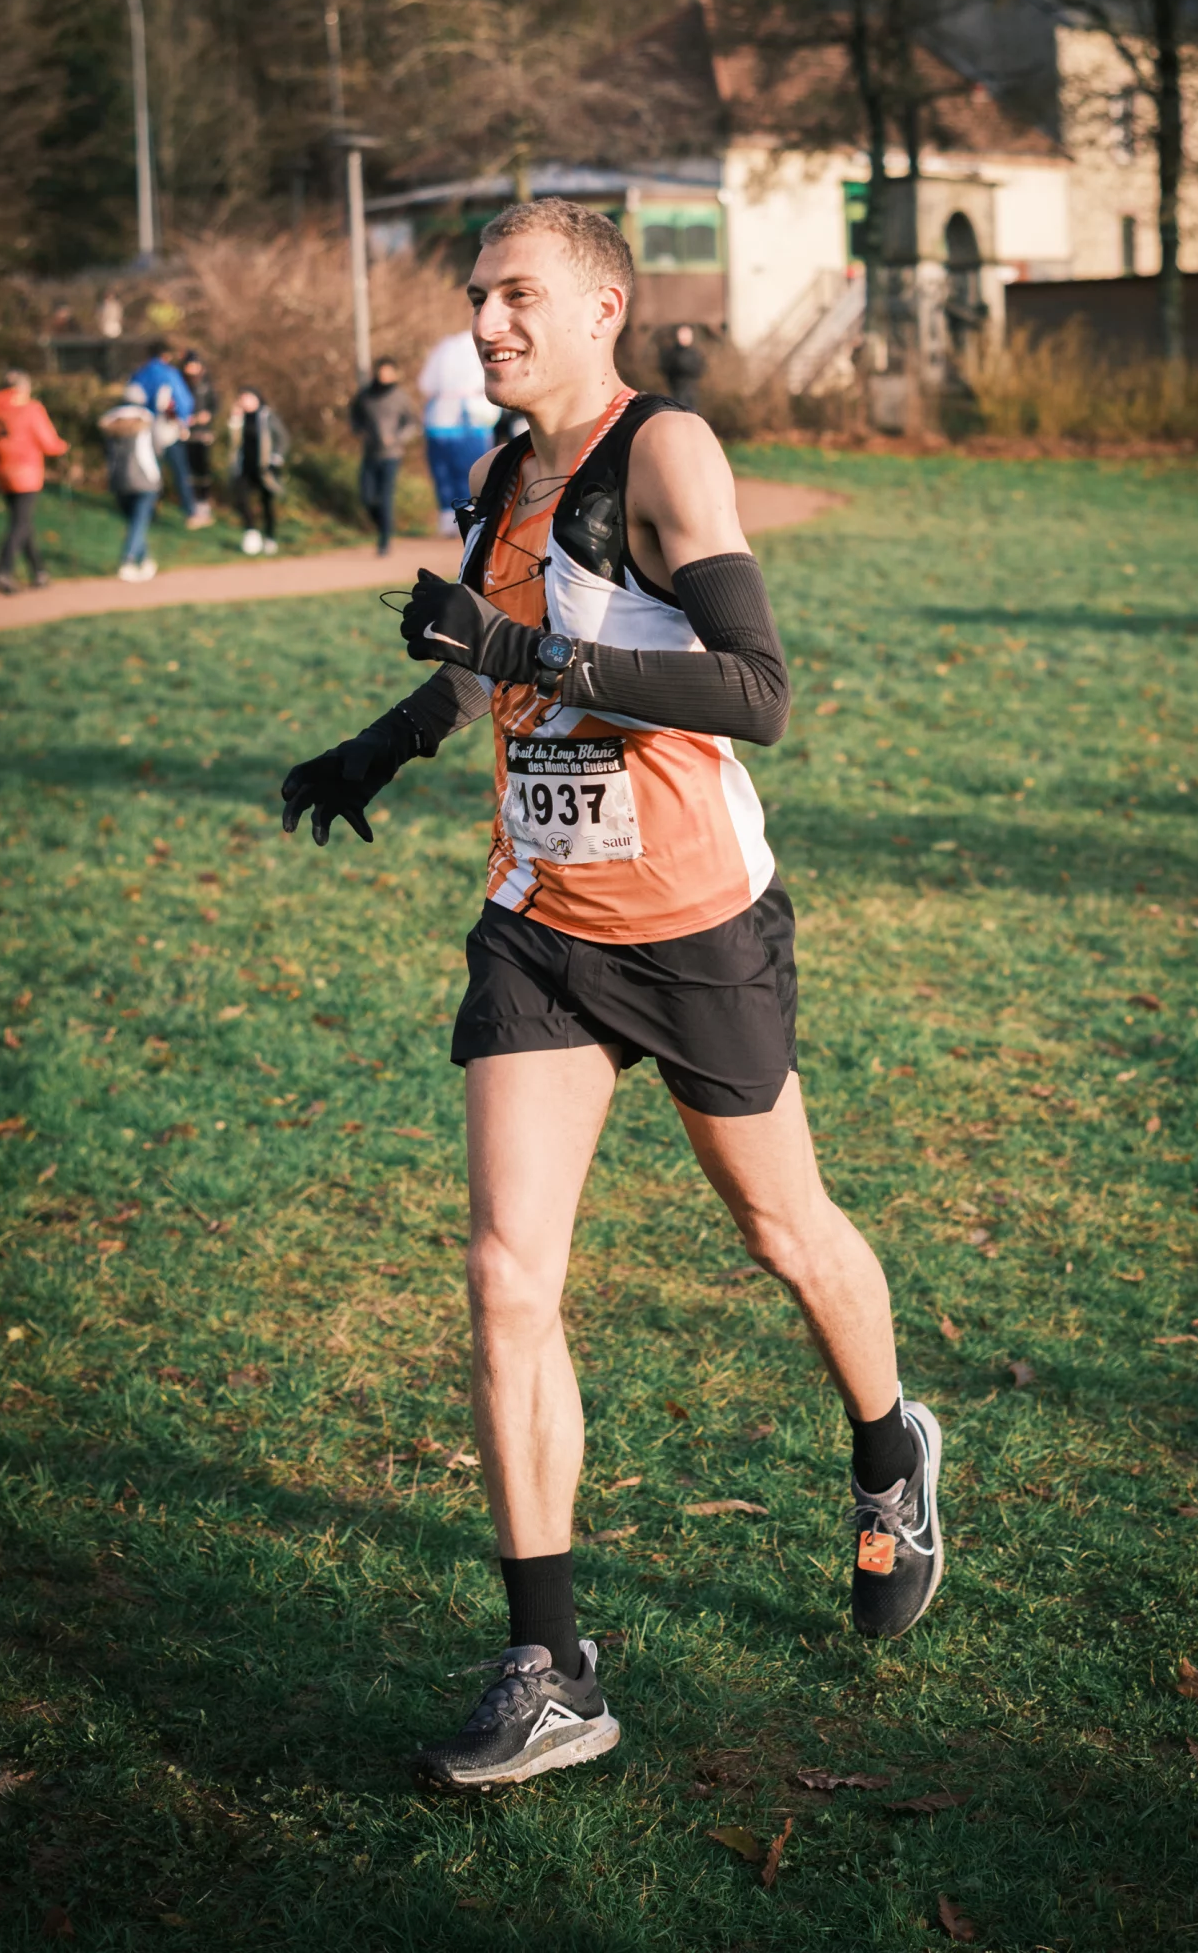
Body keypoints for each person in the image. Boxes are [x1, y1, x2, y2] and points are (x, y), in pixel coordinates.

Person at [280, 199, 944, 1795]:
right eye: (477, 296)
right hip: (541, 927)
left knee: (784, 1231)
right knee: (506, 1276)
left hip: (697, 927)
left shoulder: (666, 452)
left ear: (601, 308)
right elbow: (478, 654)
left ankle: (889, 1450)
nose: (486, 322)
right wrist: (381, 746)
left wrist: (527, 652)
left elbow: (755, 691)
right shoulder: (501, 475)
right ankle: (551, 1671)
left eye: (517, 294)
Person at [0, 370, 69, 594]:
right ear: (23, 388)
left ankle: (39, 571)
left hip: (2, 472)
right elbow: (49, 442)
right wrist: (62, 447)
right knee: (20, 522)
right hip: (27, 473)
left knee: (22, 521)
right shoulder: (31, 409)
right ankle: (3, 569)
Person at [417, 329, 500, 536]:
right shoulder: (478, 352)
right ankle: (471, 519)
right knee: (473, 473)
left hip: (440, 422)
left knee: (444, 474)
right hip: (472, 423)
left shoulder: (443, 349)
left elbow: (426, 384)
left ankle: (448, 519)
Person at [349, 356, 419, 555]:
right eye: (381, 372)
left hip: (392, 455)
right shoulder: (365, 395)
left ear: (395, 374)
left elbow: (412, 423)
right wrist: (360, 431)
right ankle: (382, 525)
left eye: (388, 372)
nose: (384, 376)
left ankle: (384, 540)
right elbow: (354, 416)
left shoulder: (400, 397)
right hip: (370, 454)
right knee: (367, 497)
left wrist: (397, 438)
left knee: (385, 497)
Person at [98, 382, 163, 582]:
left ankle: (146, 560)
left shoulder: (111, 424)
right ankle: (128, 560)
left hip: (119, 481)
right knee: (139, 522)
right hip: (145, 480)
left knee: (135, 522)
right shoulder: (145, 422)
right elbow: (155, 450)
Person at [131, 337, 198, 523]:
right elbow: (184, 401)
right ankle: (191, 512)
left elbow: (131, 397)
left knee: (151, 472)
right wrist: (184, 422)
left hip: (144, 431)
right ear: (165, 356)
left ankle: (149, 511)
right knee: (180, 472)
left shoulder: (140, 373)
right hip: (167, 431)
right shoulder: (169, 374)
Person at [227, 387, 290, 555]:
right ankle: (251, 532)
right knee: (241, 500)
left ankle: (270, 537)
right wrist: (234, 421)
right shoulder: (238, 419)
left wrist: (276, 458)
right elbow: (233, 443)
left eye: (249, 398)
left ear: (257, 399)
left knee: (267, 504)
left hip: (264, 468)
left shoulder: (267, 416)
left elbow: (282, 438)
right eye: (243, 398)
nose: (245, 402)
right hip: (243, 468)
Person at [180, 351, 217, 528]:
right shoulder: (181, 384)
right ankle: (192, 507)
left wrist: (208, 416)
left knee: (203, 472)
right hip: (185, 434)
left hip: (202, 434)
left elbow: (214, 405)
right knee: (188, 472)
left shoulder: (206, 385)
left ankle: (203, 506)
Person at [658, 321, 706, 411]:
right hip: (675, 391)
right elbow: (665, 368)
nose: (684, 337)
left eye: (687, 334)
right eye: (682, 334)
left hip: (691, 392)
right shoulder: (671, 353)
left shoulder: (695, 354)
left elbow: (700, 369)